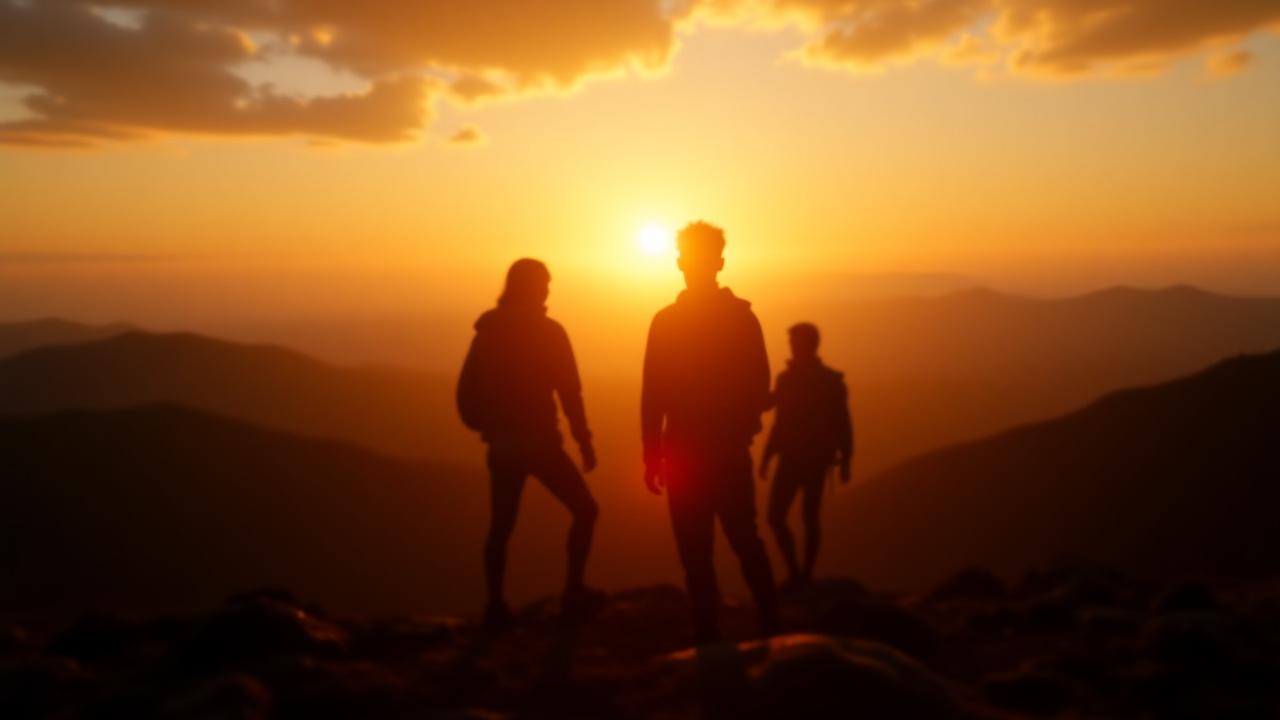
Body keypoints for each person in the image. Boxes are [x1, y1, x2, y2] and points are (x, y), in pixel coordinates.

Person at [641, 221, 782, 643]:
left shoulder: (666, 321)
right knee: (744, 538)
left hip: (684, 452)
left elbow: (653, 391)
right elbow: (759, 382)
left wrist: (652, 452)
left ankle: (709, 633)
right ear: (719, 262)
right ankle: (770, 621)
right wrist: (744, 426)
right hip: (726, 449)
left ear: (680, 262)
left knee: (695, 549)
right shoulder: (742, 319)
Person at [457, 258, 603, 629]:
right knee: (585, 510)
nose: (549, 291)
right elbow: (570, 390)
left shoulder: (487, 333)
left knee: (501, 526)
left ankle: (494, 605)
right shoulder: (549, 332)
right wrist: (583, 439)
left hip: (502, 446)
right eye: (545, 284)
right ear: (532, 287)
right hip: (540, 443)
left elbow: (466, 390)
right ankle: (573, 592)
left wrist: (484, 424)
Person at [760, 322, 853, 590]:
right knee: (803, 517)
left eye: (794, 342)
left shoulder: (794, 380)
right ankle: (802, 575)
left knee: (783, 517)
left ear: (805, 345)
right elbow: (842, 424)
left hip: (799, 458)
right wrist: (845, 459)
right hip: (812, 458)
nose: (791, 346)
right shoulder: (828, 381)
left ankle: (799, 575)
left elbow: (841, 423)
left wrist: (768, 456)